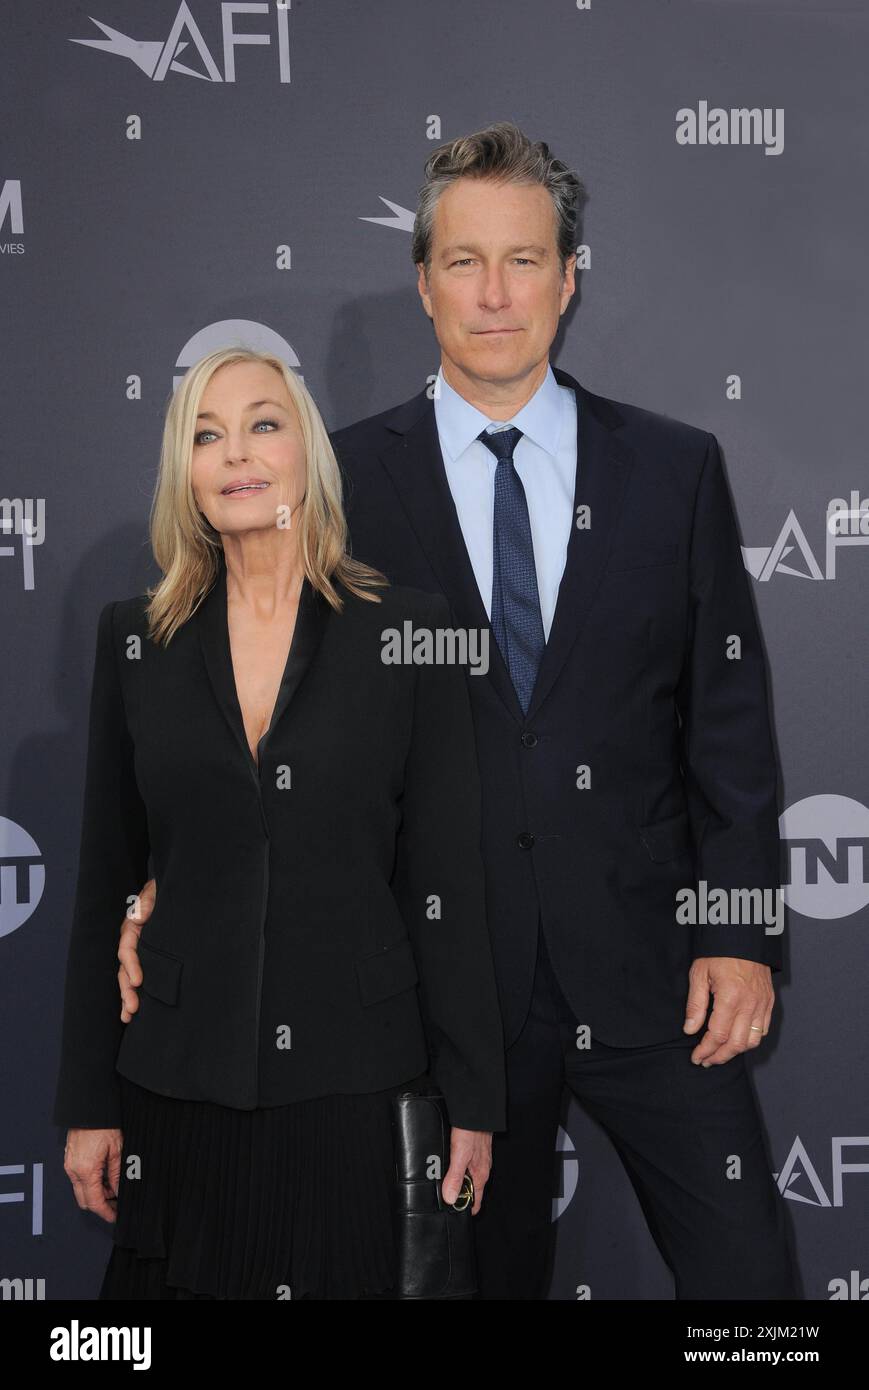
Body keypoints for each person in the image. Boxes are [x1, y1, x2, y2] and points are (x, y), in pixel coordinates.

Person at [118, 121, 799, 1300]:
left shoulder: (671, 468)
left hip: (651, 970)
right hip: (439, 995)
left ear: (567, 279)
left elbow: (725, 722)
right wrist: (165, 886)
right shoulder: (332, 483)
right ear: (422, 281)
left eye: (523, 260)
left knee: (752, 1294)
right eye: (464, 262)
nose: (494, 294)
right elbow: (246, 704)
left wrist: (738, 931)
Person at [53, 347, 506, 1301]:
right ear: (184, 472)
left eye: (263, 423)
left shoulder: (408, 633)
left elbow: (447, 888)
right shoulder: (135, 639)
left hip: (354, 1087)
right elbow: (105, 881)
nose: (236, 453)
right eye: (206, 435)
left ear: (308, 454)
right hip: (178, 1084)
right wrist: (89, 1100)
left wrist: (472, 1099)